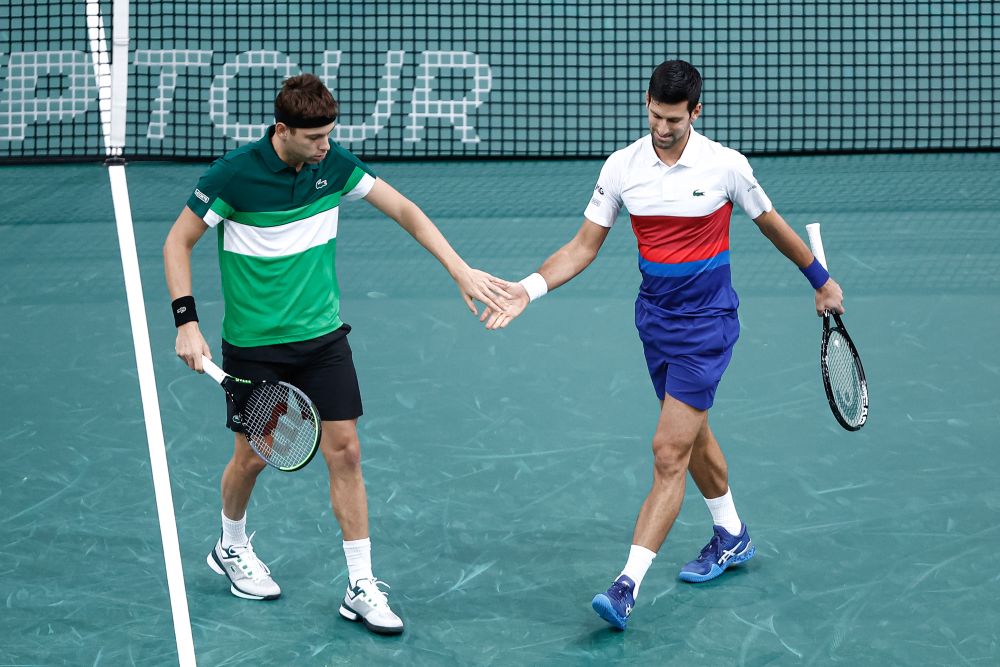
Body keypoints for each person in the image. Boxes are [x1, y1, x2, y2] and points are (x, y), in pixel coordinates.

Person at [482, 60, 844, 630]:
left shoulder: (726, 166)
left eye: (673, 119)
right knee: (693, 437)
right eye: (654, 115)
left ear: (695, 112)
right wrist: (529, 290)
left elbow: (770, 222)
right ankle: (732, 535)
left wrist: (819, 280)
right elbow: (583, 246)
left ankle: (626, 586)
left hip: (708, 326)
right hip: (655, 322)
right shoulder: (622, 168)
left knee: (667, 451)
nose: (662, 127)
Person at [164, 73, 509, 635]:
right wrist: (187, 323)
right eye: (315, 137)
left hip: (323, 338)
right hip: (255, 346)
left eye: (330, 135)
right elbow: (177, 241)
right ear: (282, 130)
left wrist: (460, 269)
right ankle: (229, 544)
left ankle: (360, 584)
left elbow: (404, 210)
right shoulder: (233, 175)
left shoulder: (333, 165)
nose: (326, 146)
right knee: (253, 458)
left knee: (345, 451)